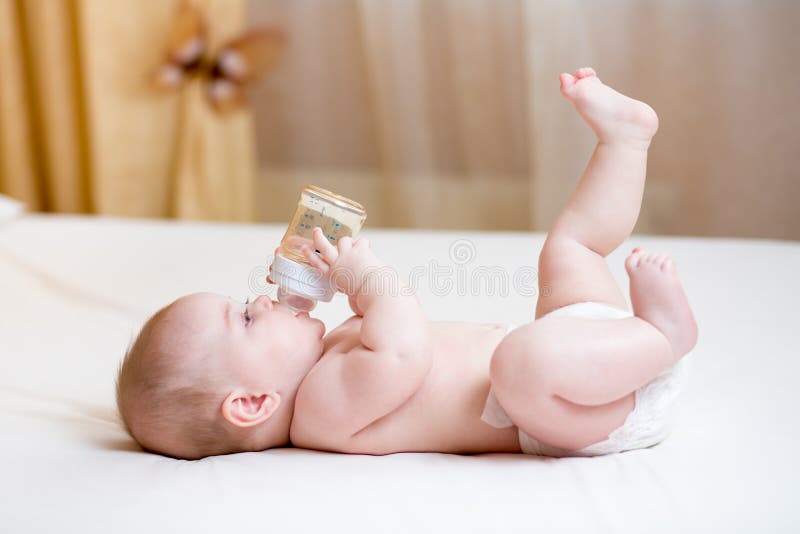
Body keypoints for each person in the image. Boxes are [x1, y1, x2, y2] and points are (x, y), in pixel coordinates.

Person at [116, 68, 697, 459]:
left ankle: (624, 143)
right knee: (520, 362)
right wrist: (364, 280)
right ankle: (667, 335)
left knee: (569, 249)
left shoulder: (327, 362)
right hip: (575, 414)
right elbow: (403, 350)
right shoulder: (319, 414)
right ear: (251, 403)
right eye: (245, 318)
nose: (261, 300)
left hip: (586, 360)